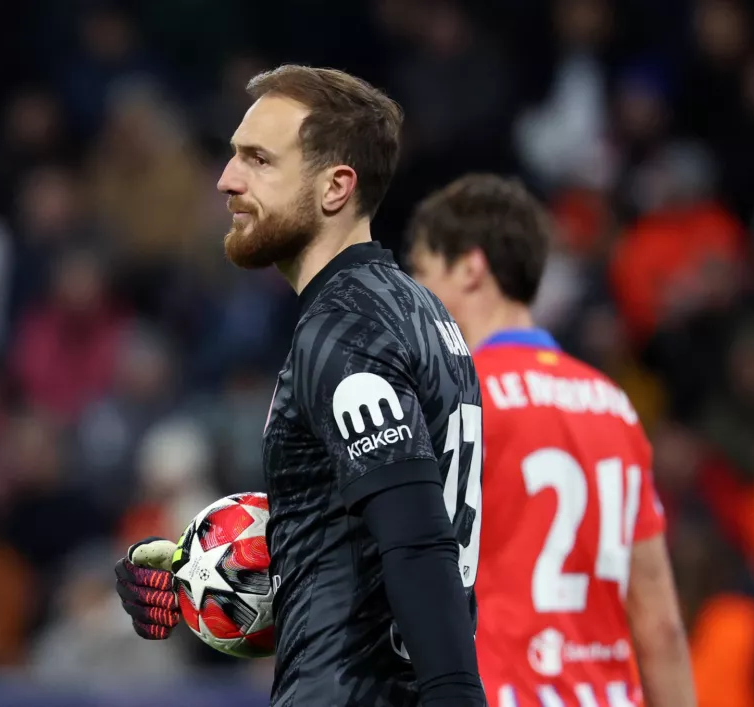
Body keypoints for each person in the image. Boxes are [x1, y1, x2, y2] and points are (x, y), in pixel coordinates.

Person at [114, 65, 487, 707]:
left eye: (258, 160)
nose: (228, 180)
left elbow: (418, 538)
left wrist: (456, 695)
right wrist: (200, 570)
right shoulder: (419, 313)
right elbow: (366, 537)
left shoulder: (346, 328)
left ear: (336, 187)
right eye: (233, 156)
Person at [407, 174, 696, 707]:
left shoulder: (450, 402)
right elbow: (660, 626)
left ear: (471, 268)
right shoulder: (615, 406)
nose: (415, 298)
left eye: (423, 274)